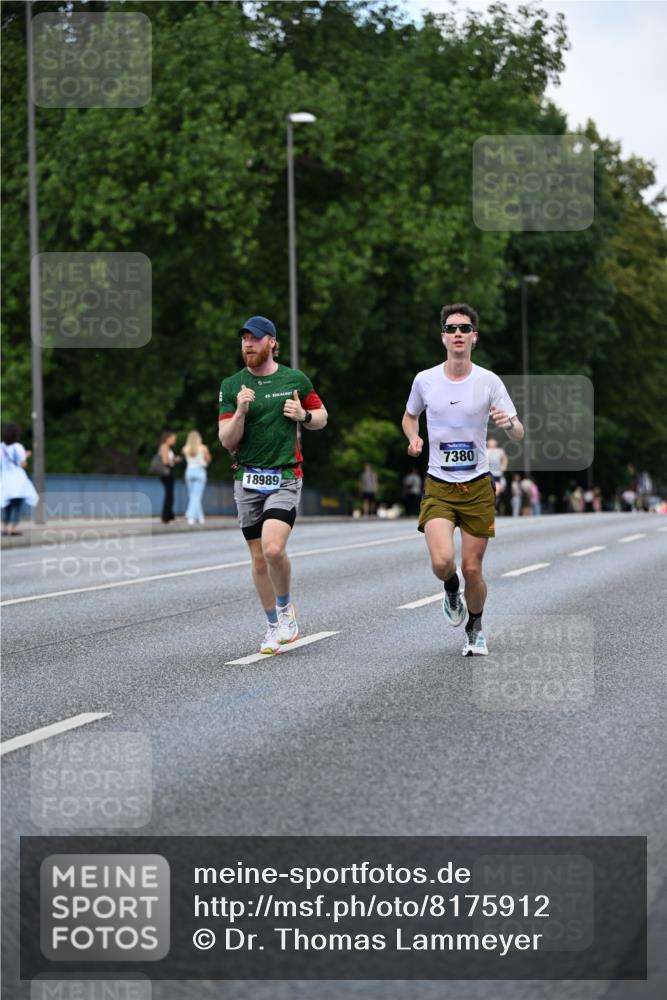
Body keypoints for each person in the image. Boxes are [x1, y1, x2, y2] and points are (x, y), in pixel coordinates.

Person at [402, 303, 524, 656]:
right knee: (443, 563)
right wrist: (413, 437)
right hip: (439, 483)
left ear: (474, 337)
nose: (458, 333)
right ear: (443, 336)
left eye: (464, 328)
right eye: (452, 328)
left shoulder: (489, 381)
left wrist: (509, 425)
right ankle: (450, 588)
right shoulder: (425, 380)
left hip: (478, 486)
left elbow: (518, 433)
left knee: (472, 567)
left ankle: (475, 627)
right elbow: (409, 417)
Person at [218, 315, 327, 654]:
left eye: (255, 338)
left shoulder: (294, 379)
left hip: (284, 475)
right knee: (258, 559)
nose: (248, 344)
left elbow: (322, 417)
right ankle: (272, 625)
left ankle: (285, 611)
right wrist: (240, 411)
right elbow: (226, 440)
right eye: (244, 339)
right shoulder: (232, 384)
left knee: (273, 548)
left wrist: (304, 416)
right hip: (246, 478)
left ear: (272, 342)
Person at [1, 423, 38, 536]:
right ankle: (12, 528)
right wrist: (26, 455)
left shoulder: (1, 447)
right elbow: (23, 464)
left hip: (4, 478)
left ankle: (5, 527)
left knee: (6, 503)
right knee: (17, 503)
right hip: (17, 478)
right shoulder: (18, 447)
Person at [182, 430, 211, 525]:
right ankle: (190, 515)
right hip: (200, 472)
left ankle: (200, 517)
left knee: (193, 496)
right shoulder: (203, 448)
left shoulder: (185, 448)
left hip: (189, 472)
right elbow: (209, 459)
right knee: (196, 496)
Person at [157, 430, 182, 524]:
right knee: (169, 495)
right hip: (167, 471)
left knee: (170, 494)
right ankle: (166, 517)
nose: (174, 440)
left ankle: (170, 516)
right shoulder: (164, 446)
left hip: (169, 471)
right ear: (167, 438)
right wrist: (175, 460)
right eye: (173, 439)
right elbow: (165, 461)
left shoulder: (167, 447)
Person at [486, 437, 508, 511]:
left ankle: (494, 506)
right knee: (488, 490)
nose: (492, 444)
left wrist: (503, 467)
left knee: (497, 490)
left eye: (493, 442)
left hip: (497, 474)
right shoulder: (485, 450)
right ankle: (489, 506)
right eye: (490, 442)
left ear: (496, 443)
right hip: (487, 473)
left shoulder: (500, 451)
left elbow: (505, 459)